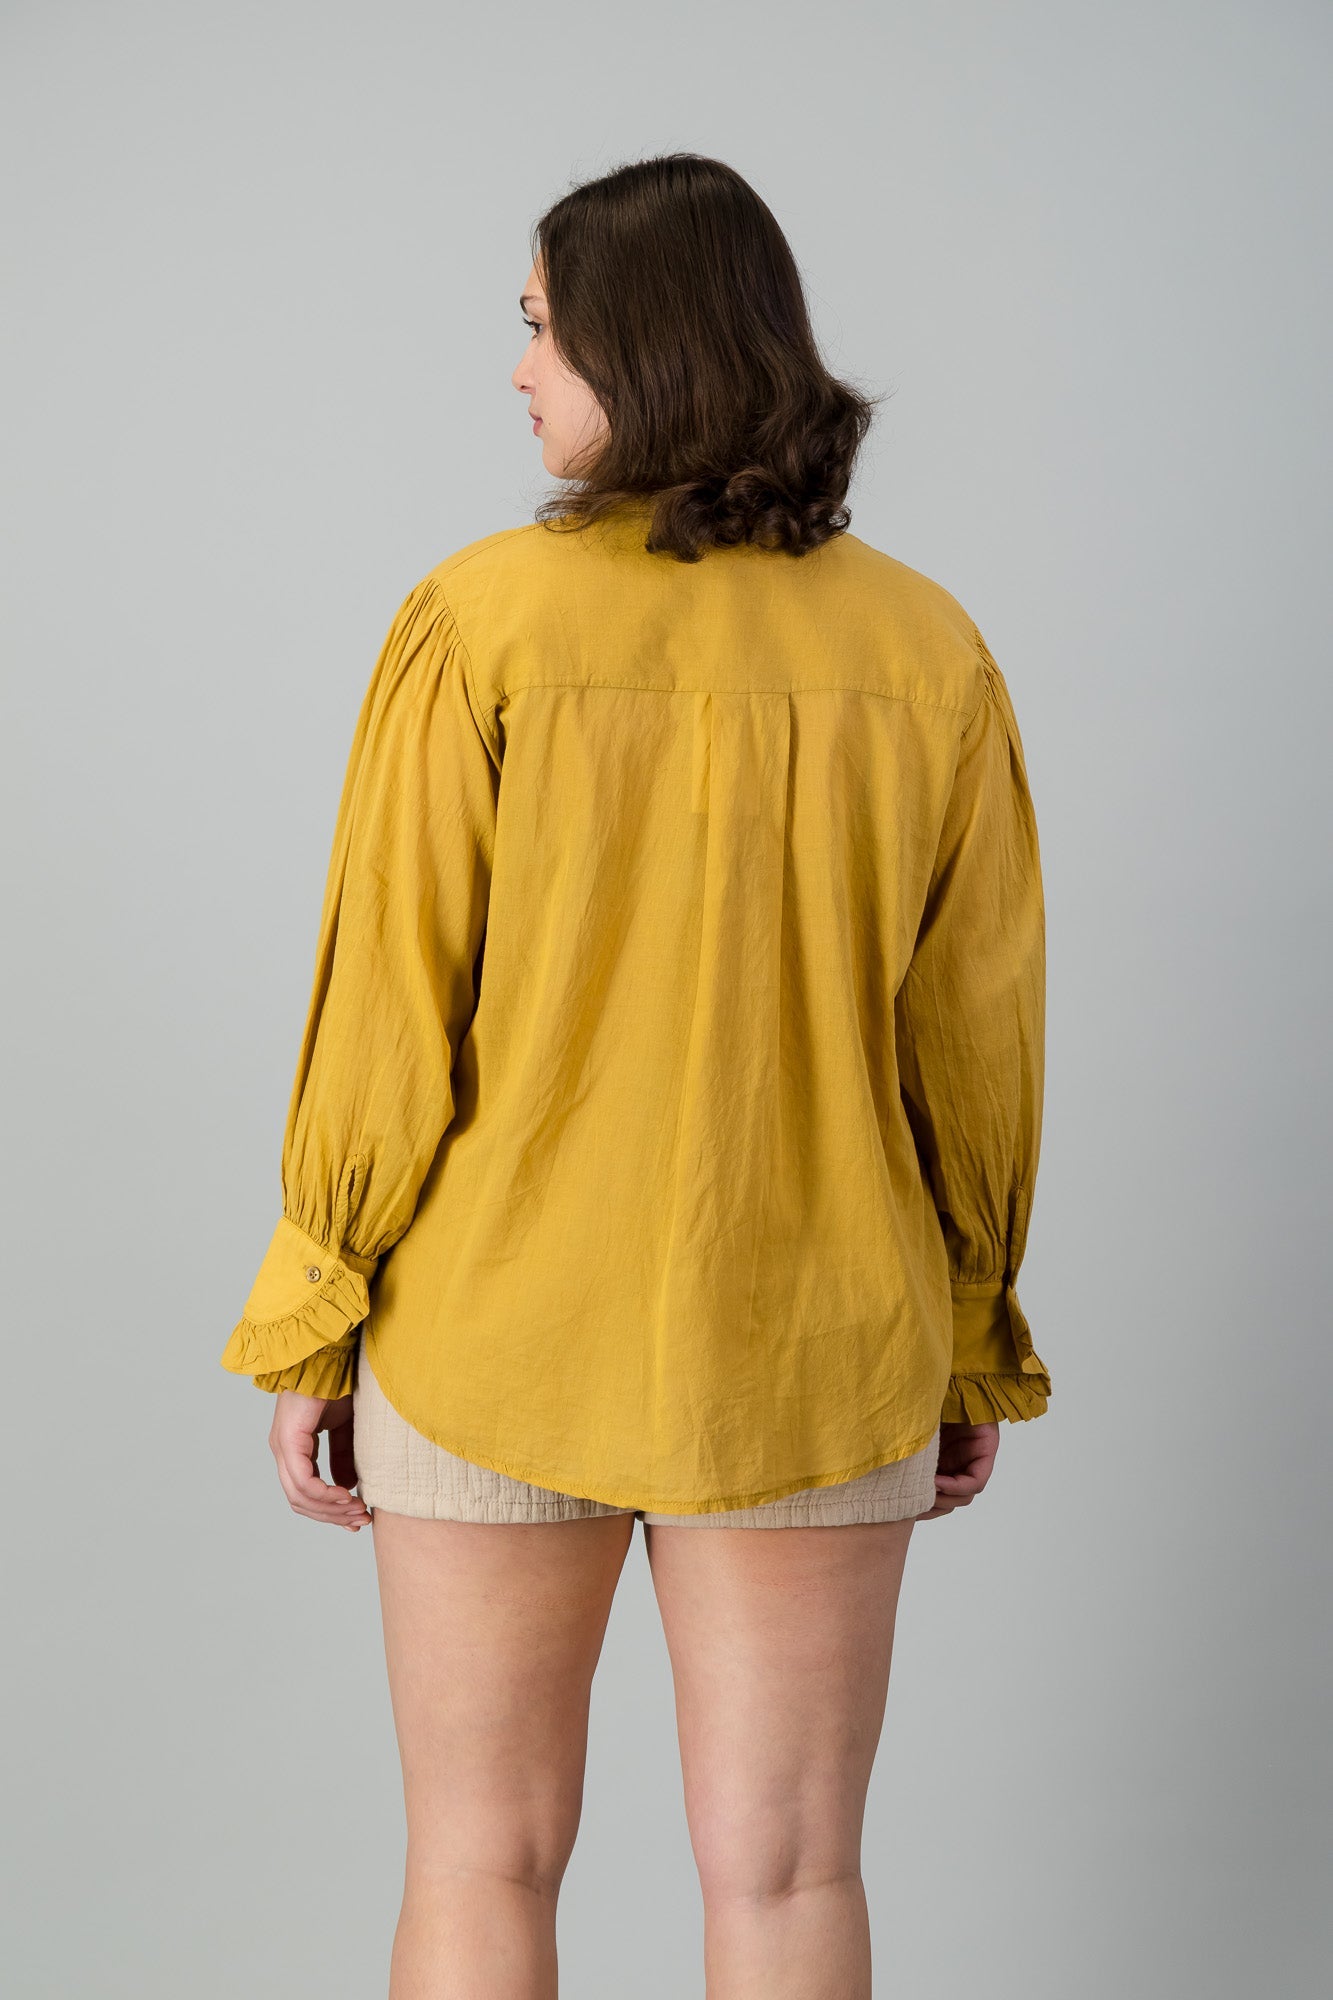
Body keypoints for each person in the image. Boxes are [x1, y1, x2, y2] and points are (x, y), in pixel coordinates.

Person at [220, 152, 1051, 2000]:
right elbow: (973, 1045)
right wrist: (965, 1317)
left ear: (643, 344)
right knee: (790, 1879)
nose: (518, 367)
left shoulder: (477, 622)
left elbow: (390, 1009)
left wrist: (316, 1304)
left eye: (542, 325)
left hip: (492, 1331)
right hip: (821, 1338)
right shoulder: (926, 651)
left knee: (478, 1860)